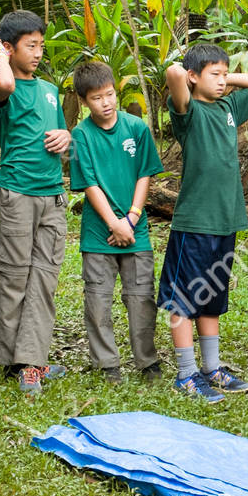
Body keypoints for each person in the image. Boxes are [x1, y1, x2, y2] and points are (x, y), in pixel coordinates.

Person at [158, 42, 248, 402]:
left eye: (225, 75)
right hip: (194, 223)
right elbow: (173, 73)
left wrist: (221, 75)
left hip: (225, 222)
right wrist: (193, 74)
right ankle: (186, 373)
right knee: (184, 300)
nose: (223, 82)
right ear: (194, 77)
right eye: (215, 75)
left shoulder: (229, 106)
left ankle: (211, 367)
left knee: (212, 298)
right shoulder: (188, 112)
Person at [0, 10, 72, 395]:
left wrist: (65, 138)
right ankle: (16, 360)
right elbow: (3, 82)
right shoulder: (0, 88)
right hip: (17, 193)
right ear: (9, 48)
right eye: (30, 46)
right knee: (14, 277)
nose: (37, 53)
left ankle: (32, 359)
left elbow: (60, 132)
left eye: (41, 45)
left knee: (44, 279)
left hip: (52, 194)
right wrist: (0, 56)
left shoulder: (50, 89)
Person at [69, 60, 162, 384]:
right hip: (99, 233)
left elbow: (145, 173)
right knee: (98, 299)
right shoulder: (80, 135)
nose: (106, 103)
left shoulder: (136, 128)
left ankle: (148, 362)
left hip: (137, 230)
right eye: (97, 98)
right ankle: (106, 364)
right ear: (84, 102)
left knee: (141, 298)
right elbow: (89, 184)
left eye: (109, 95)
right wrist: (114, 223)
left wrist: (132, 218)